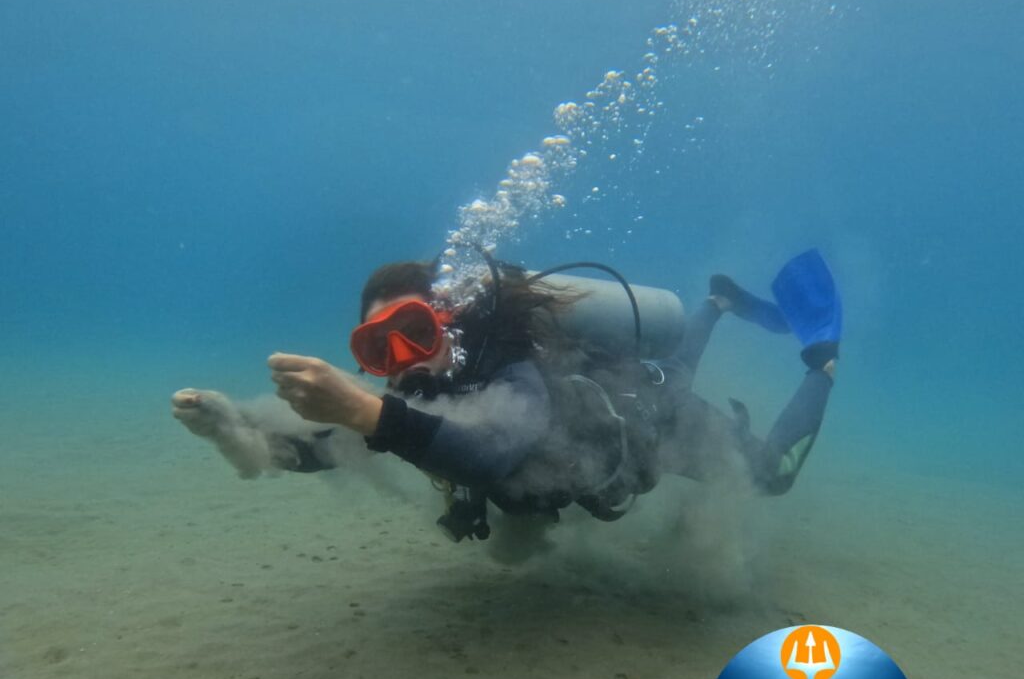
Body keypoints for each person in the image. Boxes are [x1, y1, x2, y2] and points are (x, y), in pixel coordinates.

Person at [172, 250, 841, 542]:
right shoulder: (411, 398)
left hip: (652, 420)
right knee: (675, 367)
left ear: (447, 321)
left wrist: (360, 407)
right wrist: (232, 429)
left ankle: (823, 362)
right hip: (632, 402)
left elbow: (498, 450)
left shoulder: (505, 362)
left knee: (767, 476)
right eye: (381, 349)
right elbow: (324, 451)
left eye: (414, 331)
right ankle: (718, 301)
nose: (404, 361)